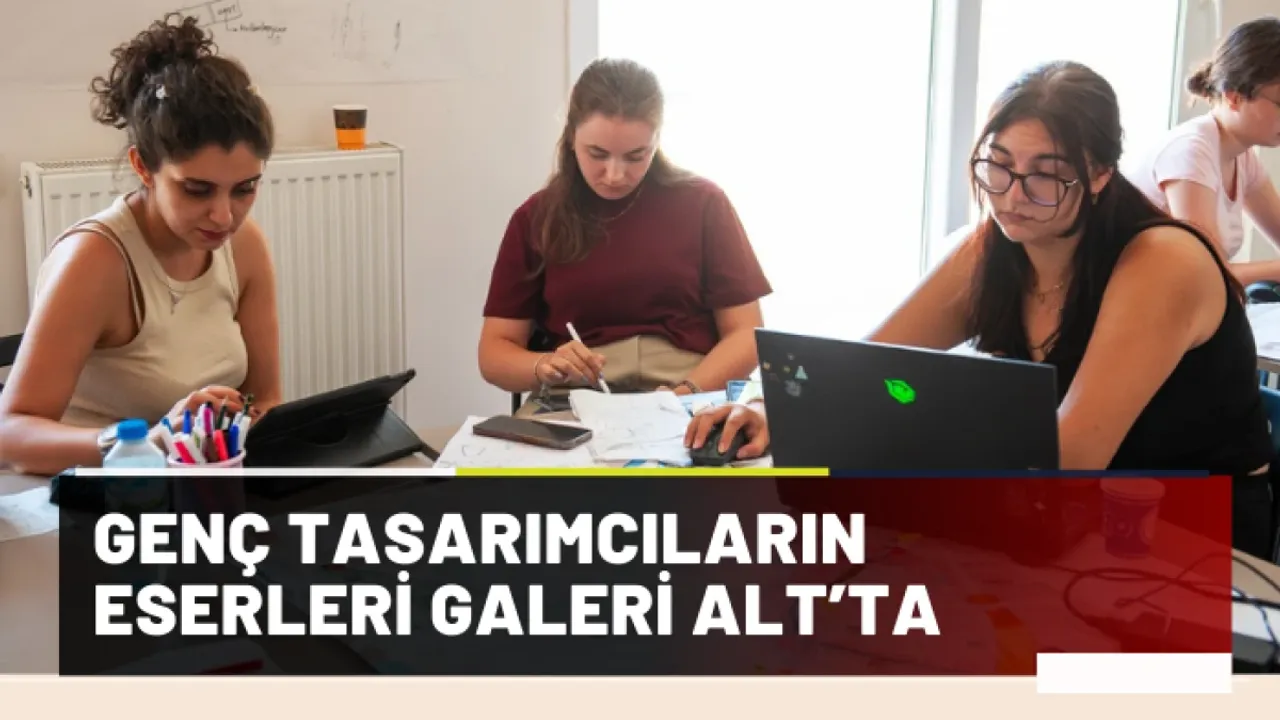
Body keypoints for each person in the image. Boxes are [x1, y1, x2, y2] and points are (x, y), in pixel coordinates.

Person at [687, 61, 1277, 558]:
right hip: (1064, 517)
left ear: (1099, 175)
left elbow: (1071, 457)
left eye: (1045, 176)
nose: (1011, 196)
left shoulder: (1161, 262)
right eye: (997, 165)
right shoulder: (994, 247)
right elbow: (866, 363)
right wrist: (769, 405)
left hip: (1191, 532)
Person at [0, 13, 282, 476]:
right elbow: (10, 434)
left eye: (245, 188)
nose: (224, 216)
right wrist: (144, 442)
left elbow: (265, 398)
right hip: (93, 495)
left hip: (192, 487)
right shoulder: (94, 261)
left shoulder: (244, 245)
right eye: (197, 190)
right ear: (142, 167)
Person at [478, 58, 771, 414]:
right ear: (571, 136)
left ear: (657, 141)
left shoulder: (703, 203)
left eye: (636, 156)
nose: (614, 175)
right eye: (597, 154)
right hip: (574, 397)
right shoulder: (536, 218)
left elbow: (746, 334)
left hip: (690, 388)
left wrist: (685, 394)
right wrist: (544, 365)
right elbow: (494, 354)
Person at [1126, 17, 1280, 287]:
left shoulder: (1242, 157)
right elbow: (1205, 274)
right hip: (1140, 301)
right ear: (1234, 96)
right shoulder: (1190, 151)